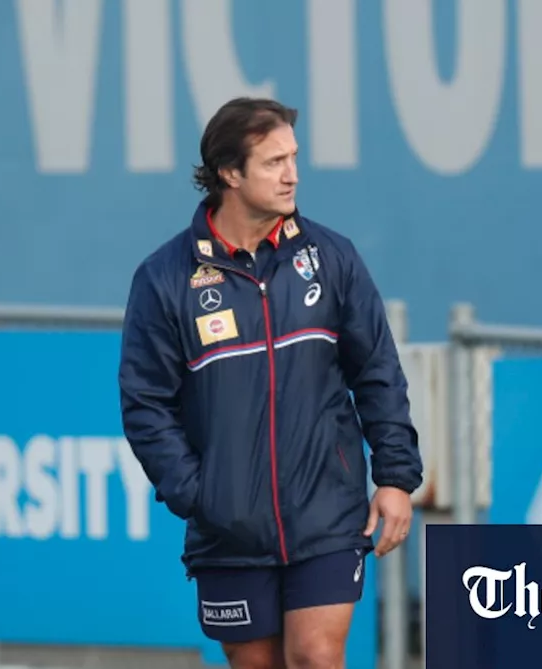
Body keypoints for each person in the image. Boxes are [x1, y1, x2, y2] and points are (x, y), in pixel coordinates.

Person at [118, 97, 423, 669]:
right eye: (273, 162)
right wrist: (200, 494)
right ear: (230, 174)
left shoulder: (331, 258)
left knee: (315, 655)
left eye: (294, 157)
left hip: (327, 511)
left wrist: (396, 477)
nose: (292, 174)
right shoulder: (165, 279)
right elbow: (145, 404)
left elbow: (377, 370)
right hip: (229, 527)